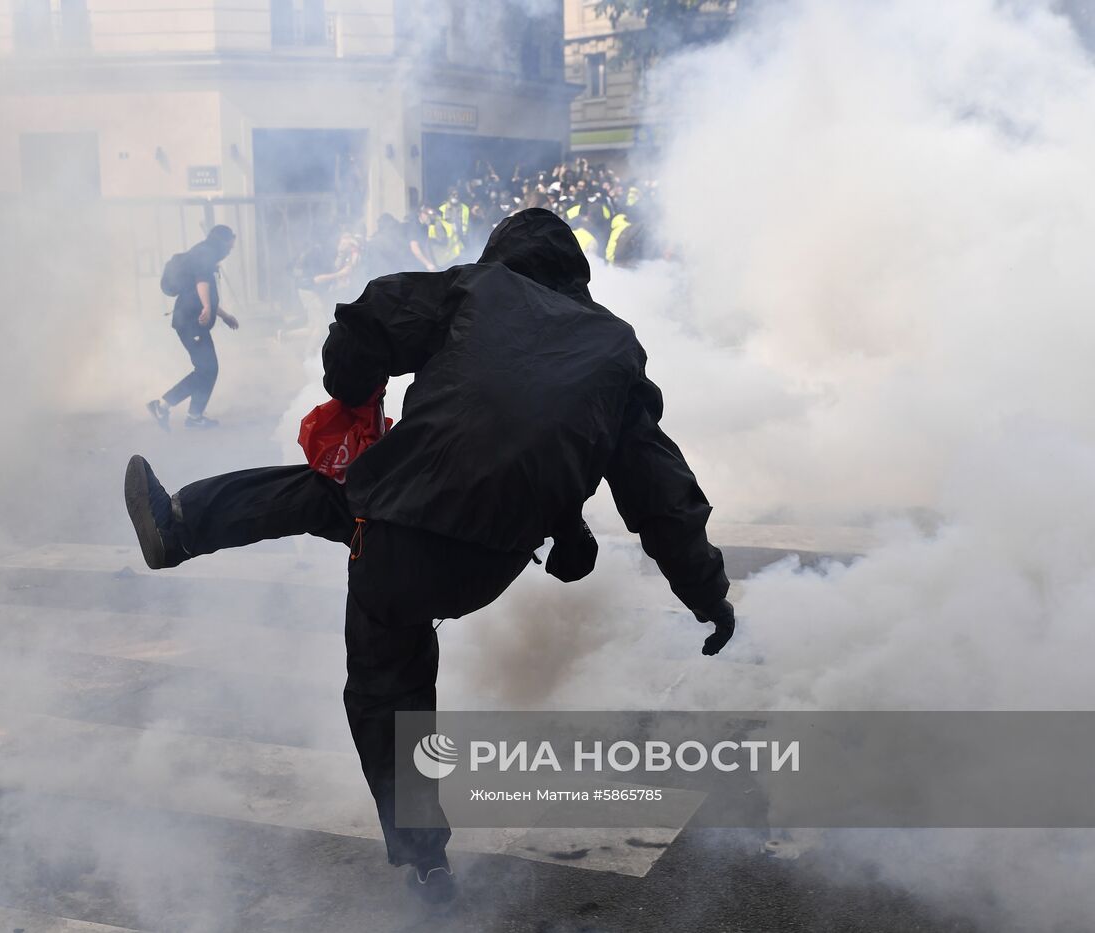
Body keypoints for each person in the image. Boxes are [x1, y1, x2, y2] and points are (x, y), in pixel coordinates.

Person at [123, 208, 735, 903]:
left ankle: (179, 528)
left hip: (396, 532)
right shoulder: (616, 349)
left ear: (503, 257)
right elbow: (660, 493)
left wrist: (351, 389)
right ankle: (429, 868)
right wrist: (707, 595)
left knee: (384, 672)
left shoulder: (478, 290)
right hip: (489, 563)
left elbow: (368, 319)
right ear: (575, 277)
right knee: (386, 620)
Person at [148, 225, 238, 430]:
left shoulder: (204, 252)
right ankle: (163, 405)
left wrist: (223, 315)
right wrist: (207, 306)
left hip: (192, 321)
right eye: (230, 245)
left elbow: (203, 292)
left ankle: (194, 415)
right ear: (223, 241)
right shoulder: (205, 253)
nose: (230, 250)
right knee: (207, 368)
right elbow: (201, 283)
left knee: (208, 369)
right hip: (190, 322)